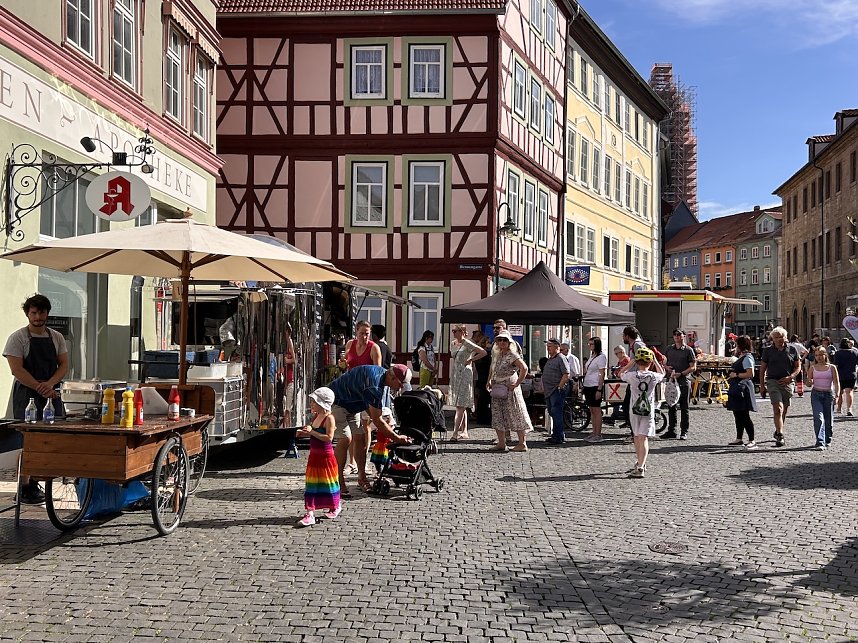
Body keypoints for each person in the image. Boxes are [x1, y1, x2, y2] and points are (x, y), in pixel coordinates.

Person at [3, 294, 69, 504]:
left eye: (41, 312)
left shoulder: (56, 337)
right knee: (26, 439)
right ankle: (25, 486)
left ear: (47, 313)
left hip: (51, 391)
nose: (38, 317)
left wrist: (50, 384)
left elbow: (64, 365)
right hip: (26, 393)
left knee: (52, 436)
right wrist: (40, 387)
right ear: (27, 314)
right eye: (34, 312)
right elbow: (17, 370)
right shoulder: (18, 338)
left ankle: (43, 478)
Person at [327, 364, 412, 496]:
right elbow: (377, 420)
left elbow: (371, 407)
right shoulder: (375, 385)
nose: (400, 388)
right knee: (345, 439)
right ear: (393, 377)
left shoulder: (383, 376)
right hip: (337, 400)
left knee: (360, 438)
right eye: (400, 384)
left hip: (353, 404)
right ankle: (338, 482)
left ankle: (362, 478)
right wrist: (397, 438)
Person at [338, 320, 382, 482]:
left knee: (364, 430)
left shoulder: (374, 348)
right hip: (350, 393)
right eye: (362, 333)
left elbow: (377, 374)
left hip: (365, 394)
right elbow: (345, 366)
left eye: (367, 333)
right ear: (356, 332)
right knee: (351, 431)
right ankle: (352, 463)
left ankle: (363, 466)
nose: (364, 336)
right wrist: (342, 364)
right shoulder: (350, 344)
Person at [295, 387, 341, 527]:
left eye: (314, 401)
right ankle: (310, 512)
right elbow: (312, 432)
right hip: (314, 456)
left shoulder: (329, 418)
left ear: (322, 403)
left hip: (325, 457)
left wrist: (311, 433)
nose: (312, 404)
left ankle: (335, 505)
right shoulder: (316, 417)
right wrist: (303, 433)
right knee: (312, 484)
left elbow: (328, 438)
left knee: (329, 482)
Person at [621, 347, 664, 477]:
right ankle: (641, 464)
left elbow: (621, 373)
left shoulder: (632, 375)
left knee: (636, 437)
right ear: (650, 363)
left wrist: (631, 362)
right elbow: (662, 373)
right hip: (648, 409)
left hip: (634, 409)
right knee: (643, 437)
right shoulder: (653, 376)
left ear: (637, 361)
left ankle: (640, 464)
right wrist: (656, 361)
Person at [487, 330, 532, 452]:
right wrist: (489, 381)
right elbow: (492, 369)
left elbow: (524, 368)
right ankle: (501, 443)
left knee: (515, 414)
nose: (502, 342)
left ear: (509, 342)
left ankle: (522, 443)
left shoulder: (513, 355)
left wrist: (517, 383)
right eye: (499, 340)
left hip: (509, 389)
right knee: (497, 415)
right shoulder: (497, 354)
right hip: (497, 388)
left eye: (505, 340)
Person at [759, 326, 801, 448]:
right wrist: (762, 386)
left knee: (784, 410)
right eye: (776, 337)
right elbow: (762, 369)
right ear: (772, 339)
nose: (778, 339)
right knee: (778, 408)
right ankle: (780, 435)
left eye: (781, 337)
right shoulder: (768, 351)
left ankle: (778, 430)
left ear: (785, 337)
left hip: (787, 382)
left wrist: (791, 377)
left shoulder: (792, 349)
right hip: (773, 381)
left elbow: (798, 367)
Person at [448, 324, 487, 441]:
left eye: (455, 331)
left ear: (462, 332)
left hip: (465, 373)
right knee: (459, 404)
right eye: (452, 331)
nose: (453, 333)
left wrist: (471, 359)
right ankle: (464, 431)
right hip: (456, 373)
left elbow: (483, 352)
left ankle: (455, 433)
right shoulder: (453, 343)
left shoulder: (468, 343)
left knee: (461, 404)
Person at [664, 328, 697, 441]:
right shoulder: (669, 349)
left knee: (684, 407)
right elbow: (664, 363)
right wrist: (667, 368)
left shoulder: (688, 350)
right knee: (671, 406)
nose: (677, 337)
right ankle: (671, 430)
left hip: (683, 381)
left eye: (679, 335)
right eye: (675, 335)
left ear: (683, 336)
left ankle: (684, 431)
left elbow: (693, 367)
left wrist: (681, 373)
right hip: (671, 380)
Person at [726, 335, 758, 449]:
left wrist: (736, 375)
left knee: (744, 415)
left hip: (743, 388)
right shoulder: (742, 356)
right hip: (737, 388)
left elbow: (750, 374)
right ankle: (739, 438)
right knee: (737, 414)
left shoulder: (747, 358)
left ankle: (752, 440)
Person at [806, 347, 840, 450]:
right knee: (818, 417)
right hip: (816, 394)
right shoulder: (812, 368)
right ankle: (820, 441)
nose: (819, 357)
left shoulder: (832, 367)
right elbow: (808, 382)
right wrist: (809, 382)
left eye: (821, 354)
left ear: (825, 355)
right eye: (816, 355)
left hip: (828, 395)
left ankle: (828, 439)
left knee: (828, 419)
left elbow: (836, 382)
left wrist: (837, 395)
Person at [542, 338, 571, 444]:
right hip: (549, 390)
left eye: (550, 346)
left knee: (556, 412)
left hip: (556, 390)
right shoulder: (551, 359)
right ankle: (557, 435)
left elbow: (566, 374)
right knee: (552, 412)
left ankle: (558, 437)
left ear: (557, 347)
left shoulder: (561, 358)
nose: (548, 348)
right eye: (547, 346)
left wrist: (560, 387)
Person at [582, 337, 608, 443]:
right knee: (592, 410)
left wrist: (599, 389)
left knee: (597, 410)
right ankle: (594, 432)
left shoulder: (601, 357)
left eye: (591, 344)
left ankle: (598, 433)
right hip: (588, 385)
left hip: (595, 385)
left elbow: (602, 373)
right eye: (589, 344)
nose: (589, 346)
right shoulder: (592, 356)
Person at [280, 322, 298, 457]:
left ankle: (288, 436)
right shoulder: (279, 342)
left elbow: (294, 360)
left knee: (288, 408)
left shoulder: (289, 341)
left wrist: (284, 360)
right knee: (283, 406)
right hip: (280, 377)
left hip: (289, 377)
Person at [833, 337, 858, 415]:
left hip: (840, 375)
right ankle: (849, 409)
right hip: (851, 374)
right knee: (849, 392)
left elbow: (836, 365)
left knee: (840, 392)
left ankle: (839, 408)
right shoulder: (855, 352)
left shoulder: (838, 353)